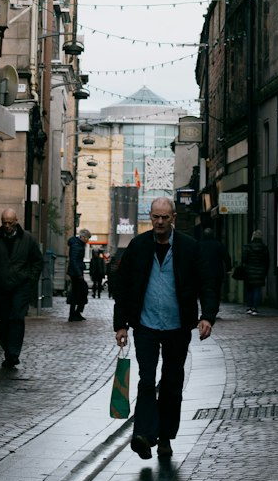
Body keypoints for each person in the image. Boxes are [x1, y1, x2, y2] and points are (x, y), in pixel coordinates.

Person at [111, 195, 219, 461]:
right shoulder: (137, 246)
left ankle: (166, 437)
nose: (159, 222)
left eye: (164, 217)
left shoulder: (189, 248)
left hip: (177, 326)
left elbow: (207, 282)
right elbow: (122, 287)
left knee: (172, 382)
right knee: (146, 379)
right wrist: (121, 325)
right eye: (155, 217)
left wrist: (207, 316)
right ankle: (145, 436)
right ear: (151, 217)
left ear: (173, 218)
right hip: (146, 325)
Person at [0, 208, 44, 369]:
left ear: (16, 221)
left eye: (10, 222)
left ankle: (13, 354)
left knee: (16, 317)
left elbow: (37, 261)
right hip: (1, 287)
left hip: (21, 287)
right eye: (4, 223)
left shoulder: (27, 240)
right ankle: (8, 348)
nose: (7, 226)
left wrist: (30, 281)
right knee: (4, 319)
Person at [197, 225, 231, 303]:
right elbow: (226, 257)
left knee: (204, 291)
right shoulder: (218, 244)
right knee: (216, 290)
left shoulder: (199, 245)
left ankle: (206, 306)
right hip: (217, 272)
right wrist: (229, 268)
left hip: (203, 272)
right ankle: (215, 305)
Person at [242, 228, 269, 315]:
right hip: (260, 271)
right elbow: (267, 260)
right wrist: (265, 271)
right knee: (257, 289)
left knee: (249, 289)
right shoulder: (264, 248)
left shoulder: (248, 247)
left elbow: (244, 259)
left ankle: (249, 307)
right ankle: (255, 308)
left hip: (249, 271)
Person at [67, 226, 91, 321]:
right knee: (78, 292)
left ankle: (76, 313)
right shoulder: (77, 245)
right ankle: (74, 314)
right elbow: (74, 260)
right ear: (83, 237)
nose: (87, 240)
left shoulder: (79, 244)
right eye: (87, 238)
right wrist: (79, 273)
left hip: (76, 272)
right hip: (75, 273)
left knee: (79, 292)